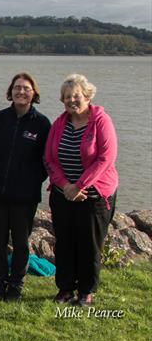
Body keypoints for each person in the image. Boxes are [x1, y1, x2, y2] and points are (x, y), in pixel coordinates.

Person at [45, 74, 118, 307]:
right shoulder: (59, 124)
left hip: (94, 196)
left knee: (89, 244)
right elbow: (49, 159)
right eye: (67, 97)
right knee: (65, 242)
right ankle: (65, 288)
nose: (71, 100)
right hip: (63, 194)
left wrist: (80, 185)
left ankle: (86, 291)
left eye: (76, 96)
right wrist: (66, 186)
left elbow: (105, 158)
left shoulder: (101, 121)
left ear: (87, 96)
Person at [0, 72, 50, 302]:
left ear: (34, 93)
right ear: (10, 92)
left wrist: (29, 181)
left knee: (21, 243)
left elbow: (46, 161)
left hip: (25, 197)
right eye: (17, 88)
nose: (21, 91)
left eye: (26, 88)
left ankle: (16, 286)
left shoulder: (42, 123)